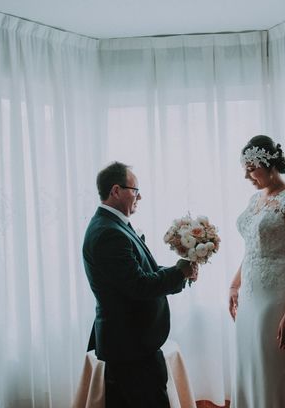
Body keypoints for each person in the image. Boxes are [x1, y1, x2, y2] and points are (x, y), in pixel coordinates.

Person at [82, 161, 197, 408]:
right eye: (135, 190)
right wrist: (179, 273)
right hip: (131, 347)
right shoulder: (108, 233)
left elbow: (143, 273)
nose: (140, 196)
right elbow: (139, 286)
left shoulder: (114, 225)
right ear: (115, 191)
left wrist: (181, 271)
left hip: (128, 343)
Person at [229, 135, 285, 408]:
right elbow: (253, 248)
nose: (246, 175)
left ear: (269, 163)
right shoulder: (256, 200)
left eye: (251, 167)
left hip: (276, 298)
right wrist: (234, 284)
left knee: (274, 369)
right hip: (250, 298)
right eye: (245, 168)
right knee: (251, 365)